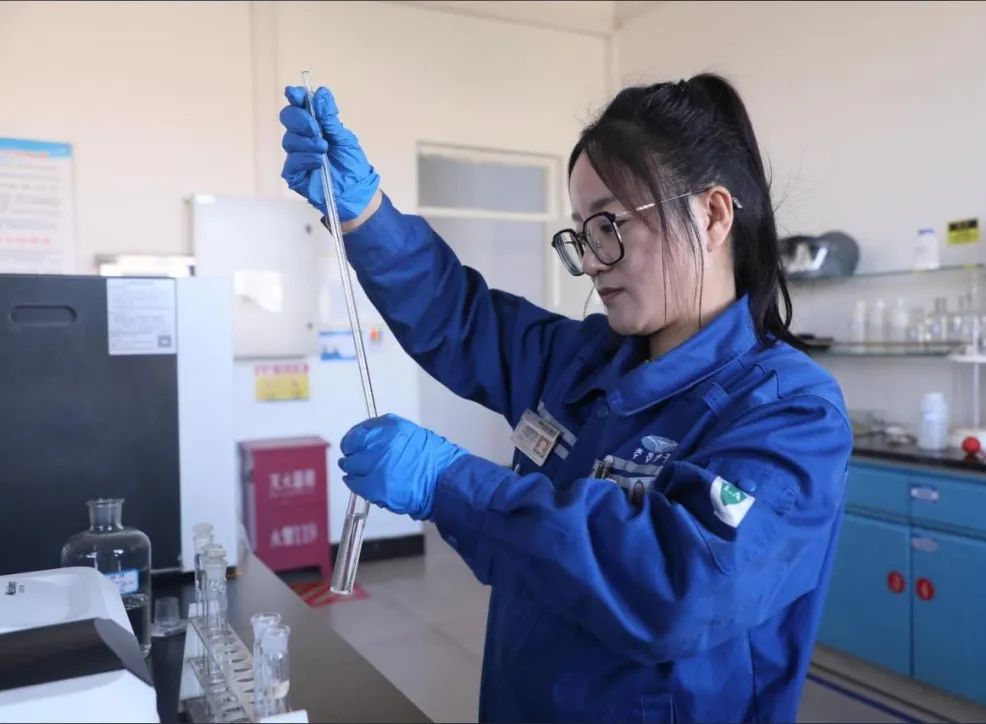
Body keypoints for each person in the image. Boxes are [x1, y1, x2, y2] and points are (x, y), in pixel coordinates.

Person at [279, 74, 852, 723]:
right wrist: (363, 214)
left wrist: (451, 483)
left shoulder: (790, 411)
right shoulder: (584, 360)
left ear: (713, 215)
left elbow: (675, 585)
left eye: (608, 225)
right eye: (581, 233)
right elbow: (459, 317)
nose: (593, 261)